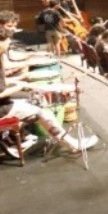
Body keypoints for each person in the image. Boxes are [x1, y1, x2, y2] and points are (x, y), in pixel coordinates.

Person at [0, 26, 96, 157]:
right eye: (7, 41)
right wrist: (19, 85)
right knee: (42, 111)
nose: (8, 44)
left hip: (5, 104)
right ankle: (72, 146)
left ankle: (20, 137)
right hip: (3, 108)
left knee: (35, 99)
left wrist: (16, 81)